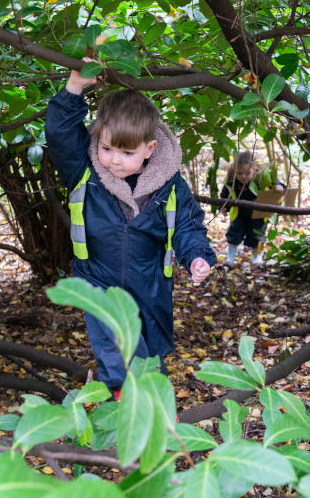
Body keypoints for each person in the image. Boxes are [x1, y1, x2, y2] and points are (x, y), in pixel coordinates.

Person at [45, 58, 216, 400]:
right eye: (106, 148)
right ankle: (129, 403)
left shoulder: (169, 185)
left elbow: (187, 225)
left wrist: (196, 255)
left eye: (126, 152)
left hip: (149, 286)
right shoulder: (85, 171)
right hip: (98, 280)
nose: (114, 160)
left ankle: (156, 412)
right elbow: (62, 134)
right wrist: (75, 86)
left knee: (149, 356)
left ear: (150, 150)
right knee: (118, 346)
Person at [219, 151, 284, 267]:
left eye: (247, 173)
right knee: (234, 232)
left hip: (257, 213)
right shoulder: (230, 180)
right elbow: (225, 195)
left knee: (257, 234)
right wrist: (223, 207)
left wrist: (279, 187)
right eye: (239, 173)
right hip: (239, 212)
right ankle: (230, 258)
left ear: (254, 170)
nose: (243, 176)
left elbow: (277, 185)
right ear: (234, 171)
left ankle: (256, 257)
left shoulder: (262, 177)